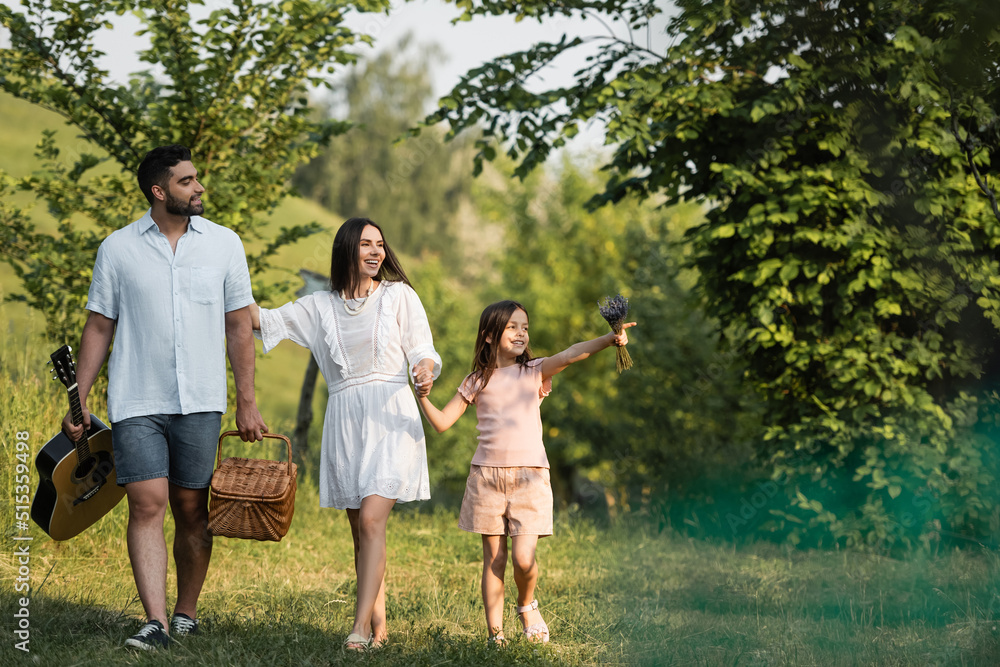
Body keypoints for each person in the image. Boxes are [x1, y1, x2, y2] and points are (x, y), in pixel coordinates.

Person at [63, 144, 267, 651]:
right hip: (136, 398)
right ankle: (154, 621)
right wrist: (78, 399)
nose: (199, 187)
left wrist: (246, 401)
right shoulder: (117, 249)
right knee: (147, 503)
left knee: (191, 508)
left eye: (196, 178)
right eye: (186, 181)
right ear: (158, 191)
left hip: (201, 399)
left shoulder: (224, 244)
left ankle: (185, 613)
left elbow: (239, 327)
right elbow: (99, 326)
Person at [249, 217, 440, 650]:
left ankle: (358, 629)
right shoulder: (319, 307)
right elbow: (261, 320)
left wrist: (425, 370)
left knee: (372, 520)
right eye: (366, 244)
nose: (376, 252)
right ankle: (380, 629)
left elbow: (423, 349)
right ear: (347, 249)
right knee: (362, 532)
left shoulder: (398, 295)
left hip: (391, 416)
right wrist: (222, 283)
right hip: (345, 423)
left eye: (380, 244)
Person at [417, 300, 634, 645]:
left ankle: (526, 604)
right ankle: (495, 636)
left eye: (525, 328)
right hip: (486, 478)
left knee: (523, 559)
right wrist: (422, 397)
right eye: (512, 327)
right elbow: (442, 423)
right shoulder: (476, 380)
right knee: (494, 559)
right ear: (489, 336)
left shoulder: (534, 371)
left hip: (530, 478)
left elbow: (570, 354)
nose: (521, 334)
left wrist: (609, 340)